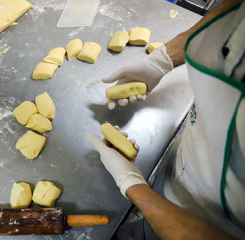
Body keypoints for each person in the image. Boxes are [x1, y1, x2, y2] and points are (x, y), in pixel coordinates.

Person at [87, 0, 245, 239]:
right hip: (189, 160)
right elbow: (235, 15)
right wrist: (163, 58)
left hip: (212, 222)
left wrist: (133, 187)